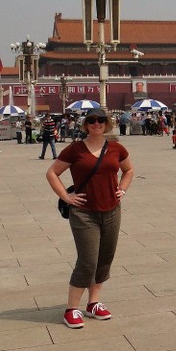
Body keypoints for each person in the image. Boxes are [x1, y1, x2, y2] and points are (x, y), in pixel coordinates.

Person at [46, 108, 133, 329]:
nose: (97, 124)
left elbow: (129, 170)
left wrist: (122, 188)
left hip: (112, 211)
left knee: (105, 258)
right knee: (87, 260)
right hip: (84, 213)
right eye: (92, 121)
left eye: (101, 120)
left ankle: (93, 303)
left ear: (107, 124)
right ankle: (71, 309)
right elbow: (52, 173)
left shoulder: (116, 148)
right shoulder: (75, 149)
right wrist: (66, 196)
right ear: (86, 125)